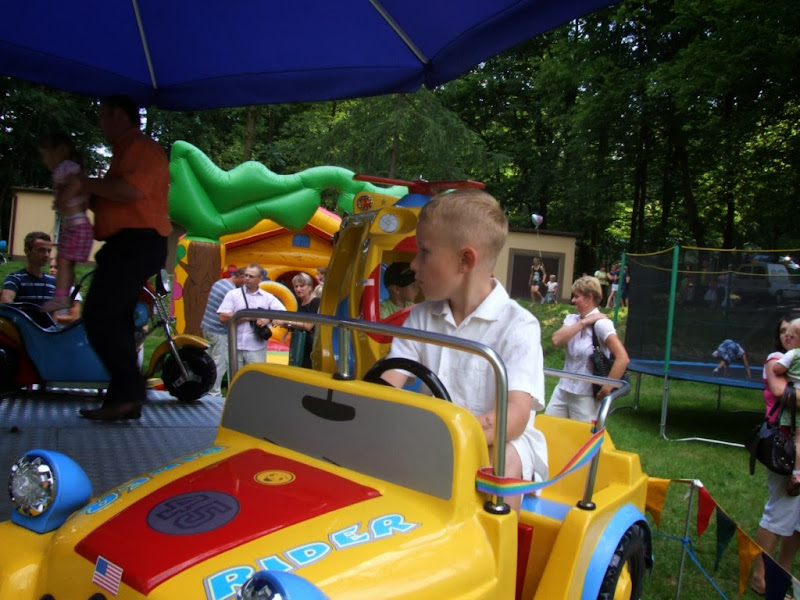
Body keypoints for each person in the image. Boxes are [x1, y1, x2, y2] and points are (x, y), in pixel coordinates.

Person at [380, 189, 548, 512]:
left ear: (465, 260)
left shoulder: (518, 326)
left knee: (501, 461)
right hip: (434, 437)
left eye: (424, 252)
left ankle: (496, 540)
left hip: (498, 440)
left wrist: (450, 435)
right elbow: (389, 380)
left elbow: (514, 417)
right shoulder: (421, 317)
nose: (413, 265)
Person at [69, 95, 172, 421]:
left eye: (103, 116)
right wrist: (86, 194)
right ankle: (123, 400)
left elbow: (130, 191)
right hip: (127, 243)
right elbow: (116, 197)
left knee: (100, 315)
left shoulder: (142, 149)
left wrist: (84, 183)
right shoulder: (124, 153)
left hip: (136, 242)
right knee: (116, 320)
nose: (100, 123)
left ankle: (131, 392)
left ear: (120, 116)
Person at [750, 317, 800, 596]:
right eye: (783, 331)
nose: (787, 336)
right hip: (786, 447)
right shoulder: (776, 360)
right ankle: (760, 576)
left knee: (798, 518)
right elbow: (782, 392)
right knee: (780, 510)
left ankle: (782, 573)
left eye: (792, 332)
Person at [545, 276, 630, 423]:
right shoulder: (572, 320)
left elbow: (622, 358)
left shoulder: (602, 325)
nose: (573, 300)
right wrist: (584, 323)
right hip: (563, 389)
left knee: (583, 436)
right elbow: (556, 340)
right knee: (548, 429)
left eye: (576, 296)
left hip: (586, 396)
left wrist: (606, 388)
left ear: (589, 298)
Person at [37, 133, 94, 314]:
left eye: (46, 155)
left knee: (63, 262)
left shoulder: (66, 168)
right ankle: (63, 295)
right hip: (77, 225)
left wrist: (63, 200)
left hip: (76, 226)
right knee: (66, 263)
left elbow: (77, 184)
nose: (45, 160)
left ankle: (61, 297)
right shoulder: (69, 168)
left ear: (58, 151)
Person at [217, 263, 286, 368]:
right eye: (246, 275)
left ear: (260, 279)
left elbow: (283, 314)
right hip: (234, 346)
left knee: (255, 377)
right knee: (235, 377)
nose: (247, 278)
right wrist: (250, 317)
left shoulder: (267, 298)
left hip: (256, 347)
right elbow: (223, 317)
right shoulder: (233, 294)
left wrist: (268, 318)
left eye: (251, 276)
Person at [201, 267, 246, 396]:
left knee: (208, 360)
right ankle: (214, 393)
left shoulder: (219, 283)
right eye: (245, 280)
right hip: (219, 331)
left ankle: (204, 388)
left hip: (207, 326)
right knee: (219, 363)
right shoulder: (230, 291)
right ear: (240, 277)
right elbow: (229, 315)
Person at [773, 318, 800, 495]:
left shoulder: (792, 354)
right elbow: (778, 391)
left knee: (796, 439)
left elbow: (777, 369)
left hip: (793, 409)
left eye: (790, 335)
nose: (787, 338)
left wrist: (783, 367)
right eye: (783, 333)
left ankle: (796, 474)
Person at [1, 231, 56, 305]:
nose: (46, 255)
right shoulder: (15, 279)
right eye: (41, 250)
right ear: (27, 251)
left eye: (49, 251)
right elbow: (6, 302)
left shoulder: (53, 282)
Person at [281, 272, 320, 368]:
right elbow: (296, 324)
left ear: (310, 287)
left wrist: (286, 322)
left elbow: (308, 326)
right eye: (296, 286)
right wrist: (285, 324)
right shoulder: (299, 302)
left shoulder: (316, 301)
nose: (298, 289)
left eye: (302, 286)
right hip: (298, 343)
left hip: (310, 346)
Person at [48, 257, 83, 326]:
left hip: (63, 330)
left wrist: (53, 318)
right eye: (51, 267)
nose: (52, 270)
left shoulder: (72, 291)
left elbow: (75, 318)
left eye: (56, 267)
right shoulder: (47, 287)